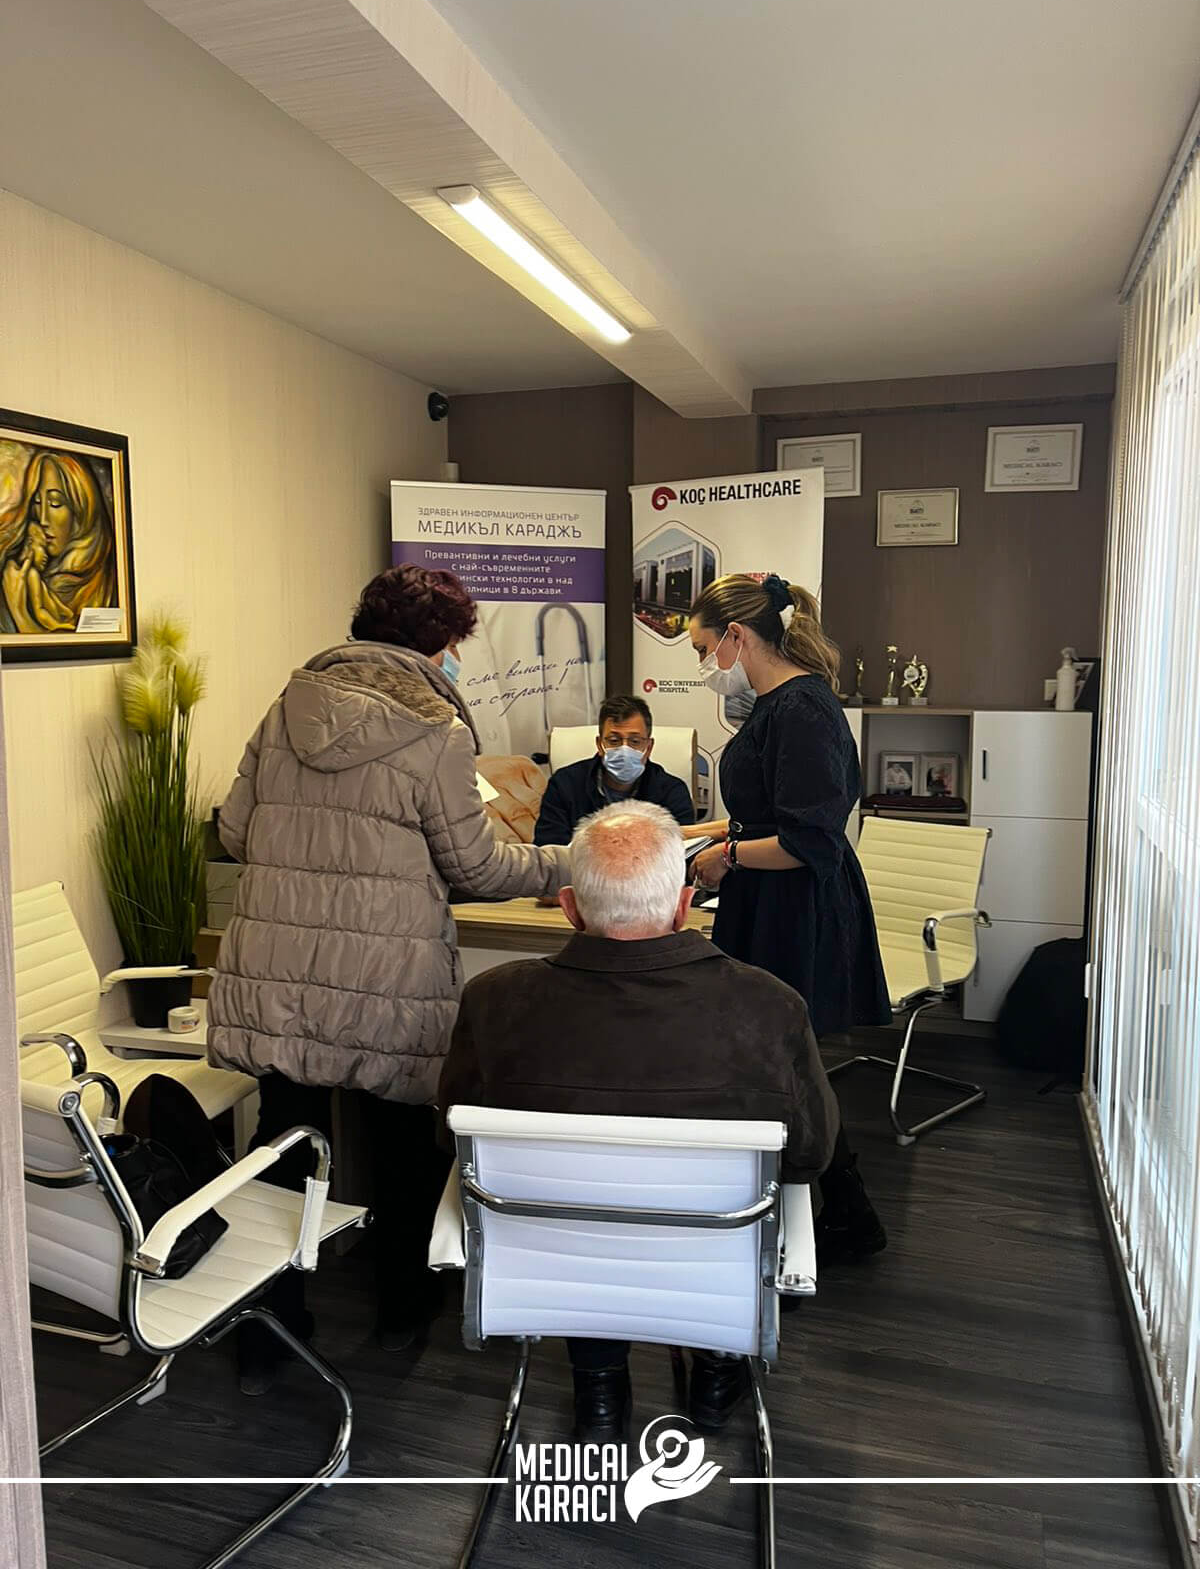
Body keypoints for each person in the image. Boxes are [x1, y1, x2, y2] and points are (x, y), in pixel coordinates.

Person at [207, 563, 570, 1390]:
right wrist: (564, 863)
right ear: (438, 644)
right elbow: (476, 867)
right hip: (386, 975)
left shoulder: (288, 705)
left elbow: (234, 831)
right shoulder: (435, 729)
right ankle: (402, 1310)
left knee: (285, 1142)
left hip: (279, 971)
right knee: (403, 1142)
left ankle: (270, 1327)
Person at [438, 801, 839, 1441]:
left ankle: (599, 1391)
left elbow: (453, 1134)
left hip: (553, 1261)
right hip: (714, 1265)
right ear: (683, 906)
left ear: (570, 908)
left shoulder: (493, 1000)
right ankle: (717, 1373)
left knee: (583, 1226)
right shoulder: (769, 1006)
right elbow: (810, 1154)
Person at [686, 572, 891, 1263]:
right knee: (778, 1060)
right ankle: (828, 1208)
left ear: (737, 636)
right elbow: (769, 810)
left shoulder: (802, 709)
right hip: (770, 898)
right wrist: (706, 835)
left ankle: (833, 1212)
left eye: (705, 649)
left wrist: (726, 857)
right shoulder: (777, 705)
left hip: (796, 907)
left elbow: (808, 841)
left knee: (781, 1060)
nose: (706, 665)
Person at [532, 694, 694, 846]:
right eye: (614, 740)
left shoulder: (672, 792)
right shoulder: (565, 784)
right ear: (599, 745)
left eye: (635, 741)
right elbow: (549, 851)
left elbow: (682, 853)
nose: (624, 749)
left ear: (649, 747)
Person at [0, 450, 116, 633]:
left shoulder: (107, 578)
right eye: (37, 502)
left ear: (81, 510)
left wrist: (19, 611)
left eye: (55, 503)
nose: (43, 519)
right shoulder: (20, 574)